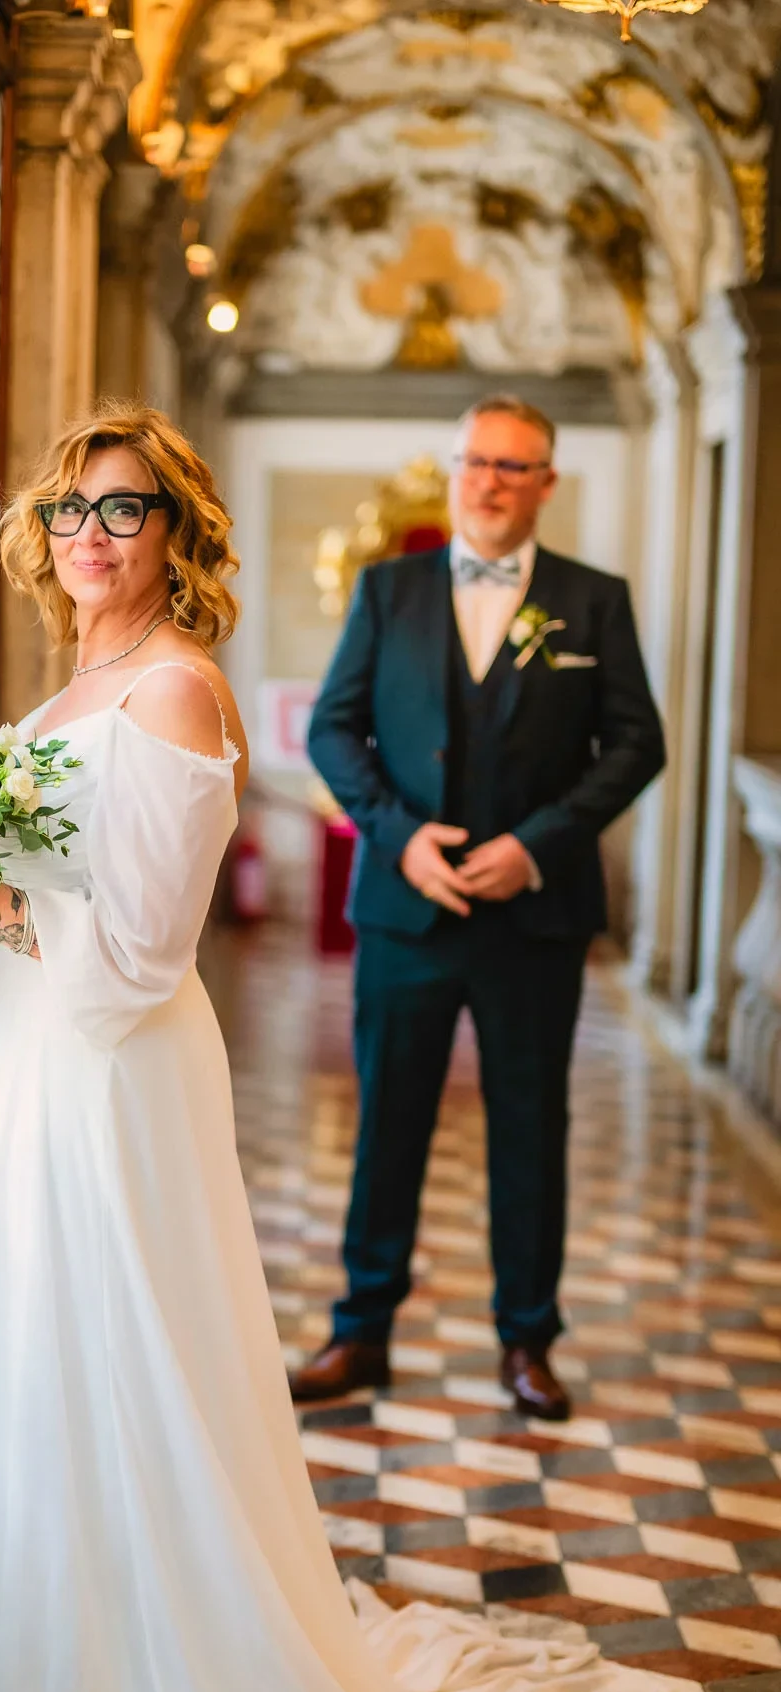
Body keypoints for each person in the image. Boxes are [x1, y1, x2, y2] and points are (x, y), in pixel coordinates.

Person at [0, 401, 670, 1692]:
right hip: (43, 1056)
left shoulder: (174, 691)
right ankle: (53, 1672)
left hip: (116, 1068)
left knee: (118, 1348)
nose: (93, 535)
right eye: (73, 510)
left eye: (126, 510)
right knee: (48, 1349)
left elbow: (142, 953)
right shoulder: (81, 671)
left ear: (178, 532)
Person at [297, 397, 666, 1421]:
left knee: (527, 1124)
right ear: (454, 468)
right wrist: (396, 834)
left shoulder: (592, 603)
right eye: (476, 462)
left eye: (514, 466)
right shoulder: (386, 591)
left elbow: (638, 744)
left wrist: (534, 848)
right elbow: (333, 731)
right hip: (404, 910)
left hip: (529, 920)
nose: (490, 481)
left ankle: (526, 1342)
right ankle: (359, 1330)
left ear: (545, 483)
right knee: (388, 1124)